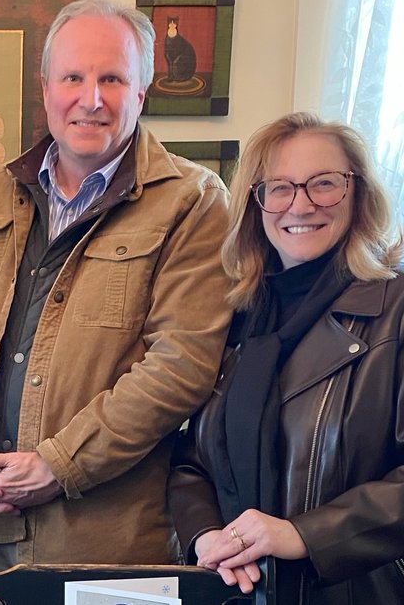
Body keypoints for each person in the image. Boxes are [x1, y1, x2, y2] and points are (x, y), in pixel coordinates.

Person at [0, 0, 233, 573]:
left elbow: (182, 366)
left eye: (112, 78)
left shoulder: (193, 202)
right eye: (73, 77)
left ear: (141, 93)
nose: (91, 99)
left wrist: (58, 464)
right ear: (46, 90)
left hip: (113, 547)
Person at [169, 112, 404, 603]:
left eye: (324, 184)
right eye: (279, 187)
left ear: (358, 193)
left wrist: (305, 535)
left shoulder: (395, 309)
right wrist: (205, 535)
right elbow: (193, 459)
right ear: (256, 204)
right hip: (235, 589)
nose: (300, 204)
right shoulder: (237, 315)